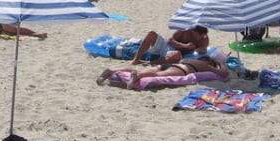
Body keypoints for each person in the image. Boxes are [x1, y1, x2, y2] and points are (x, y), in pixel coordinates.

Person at [97, 53, 229, 89]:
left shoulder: (192, 59)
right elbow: (223, 74)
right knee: (156, 75)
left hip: (171, 64)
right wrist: (221, 64)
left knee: (152, 71)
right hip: (180, 70)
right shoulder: (203, 65)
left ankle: (113, 70)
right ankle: (138, 75)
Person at [130, 25, 209, 65]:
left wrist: (200, 49)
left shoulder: (204, 39)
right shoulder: (184, 30)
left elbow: (204, 49)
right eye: (199, 35)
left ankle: (147, 63)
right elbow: (171, 41)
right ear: (193, 31)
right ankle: (136, 59)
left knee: (177, 54)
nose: (200, 38)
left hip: (175, 53)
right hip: (168, 46)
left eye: (203, 36)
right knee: (151, 33)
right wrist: (185, 46)